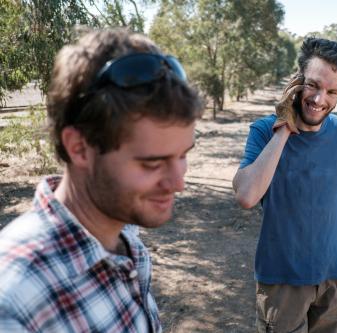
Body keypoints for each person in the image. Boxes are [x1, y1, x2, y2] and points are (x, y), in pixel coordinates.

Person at [0, 29, 203, 332]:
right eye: (152, 163)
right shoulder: (15, 304)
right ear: (79, 148)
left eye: (183, 155)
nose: (178, 184)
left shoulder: (124, 236)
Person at [233, 37, 337, 332]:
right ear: (297, 81)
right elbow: (246, 196)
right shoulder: (264, 131)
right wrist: (284, 128)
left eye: (332, 91)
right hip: (282, 279)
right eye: (313, 85)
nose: (320, 99)